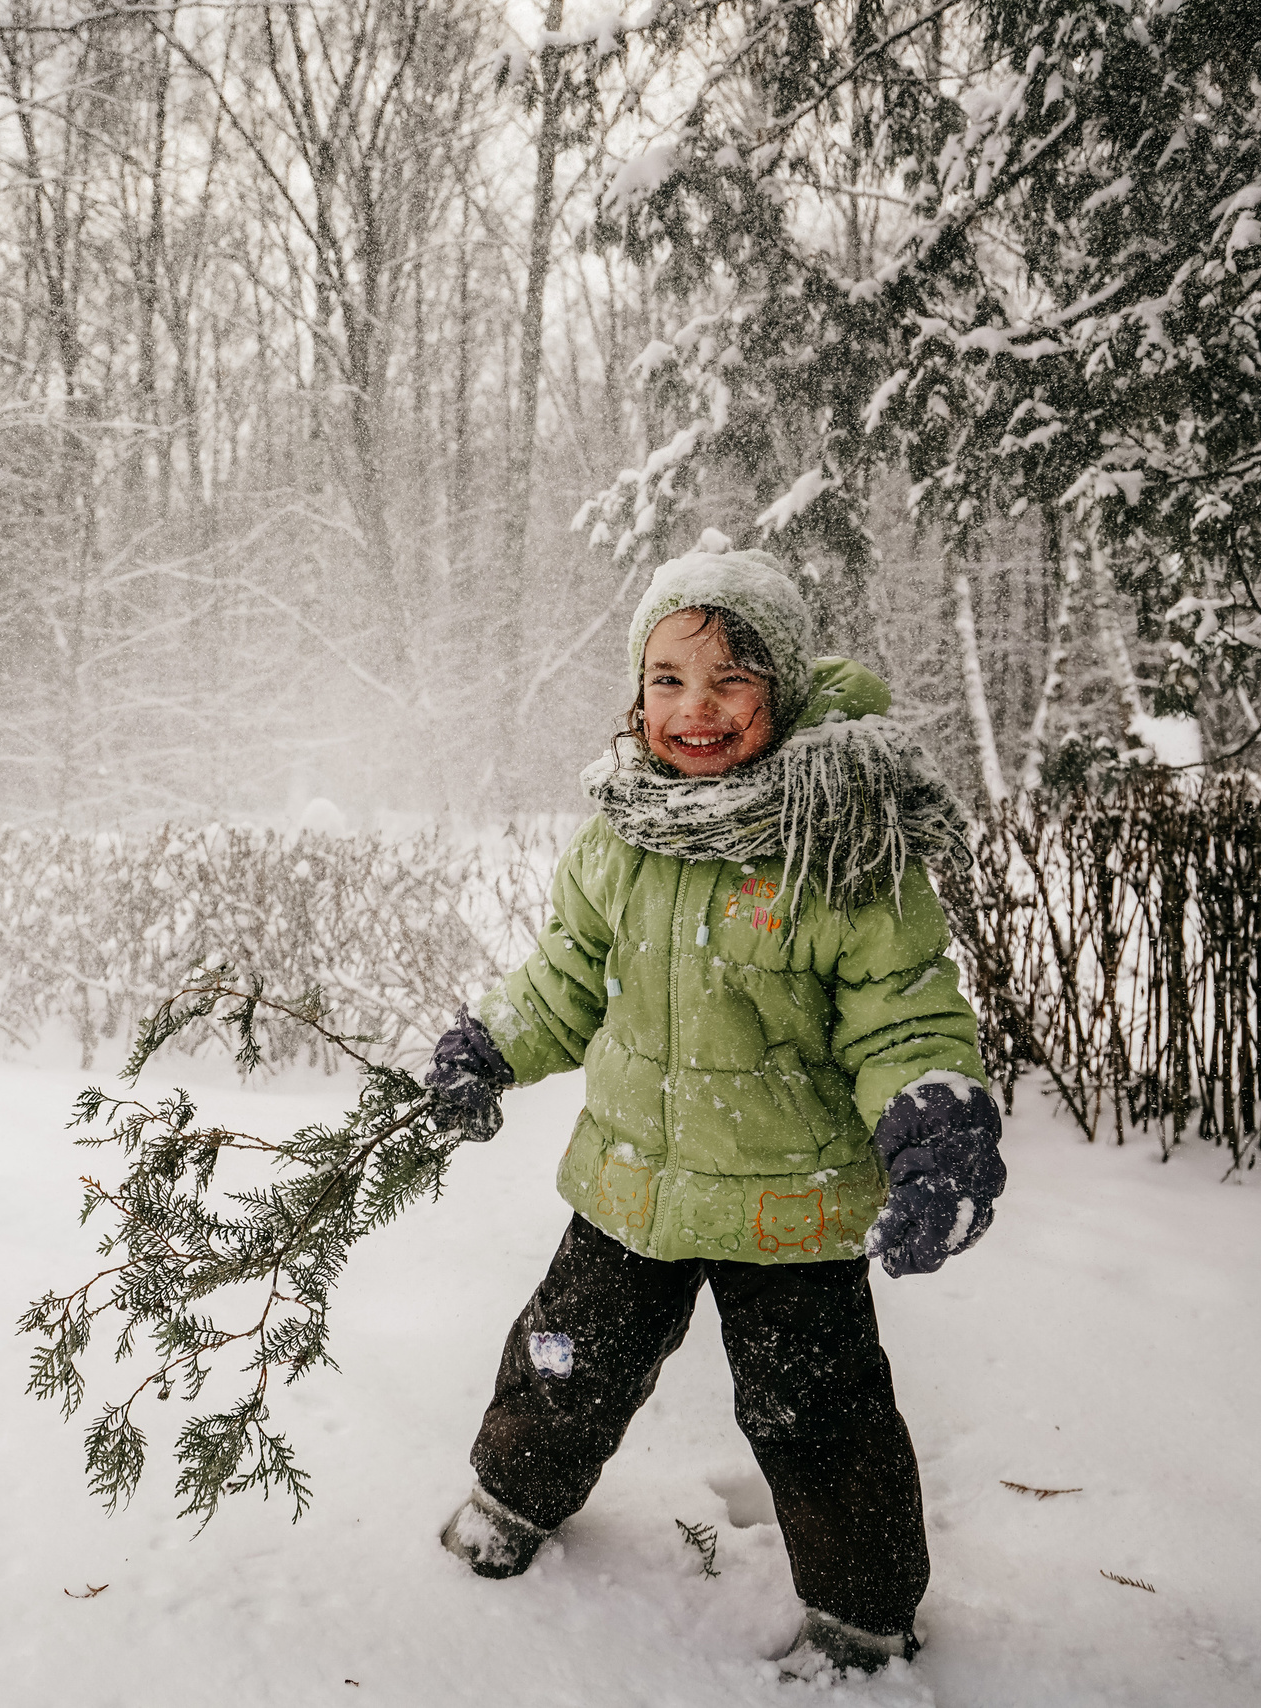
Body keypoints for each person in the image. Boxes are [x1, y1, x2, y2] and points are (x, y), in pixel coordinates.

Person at [420, 545, 1005, 1678]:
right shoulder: (621, 834)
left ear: (782, 687)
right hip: (631, 1180)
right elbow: (565, 976)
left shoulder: (838, 842)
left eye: (731, 679)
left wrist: (935, 1125)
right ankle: (512, 1496)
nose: (696, 707)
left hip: (791, 1203)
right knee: (564, 1360)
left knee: (819, 1413)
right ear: (636, 694)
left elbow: (900, 1013)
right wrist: (489, 1043)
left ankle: (864, 1614)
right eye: (668, 679)